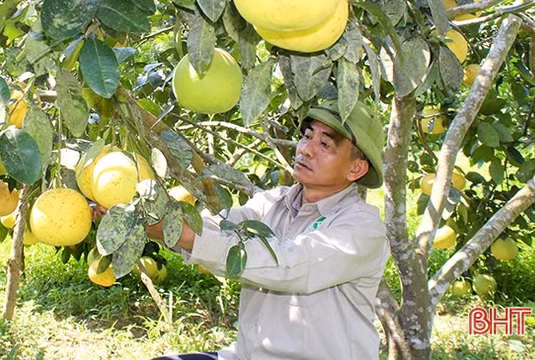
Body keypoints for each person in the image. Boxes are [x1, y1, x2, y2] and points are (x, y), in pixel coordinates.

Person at [147, 100, 390, 360]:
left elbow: (289, 265)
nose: (306, 149)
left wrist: (185, 235)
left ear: (356, 168)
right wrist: (159, 220)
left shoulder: (362, 228)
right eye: (307, 136)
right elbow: (221, 226)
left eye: (325, 144)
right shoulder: (273, 203)